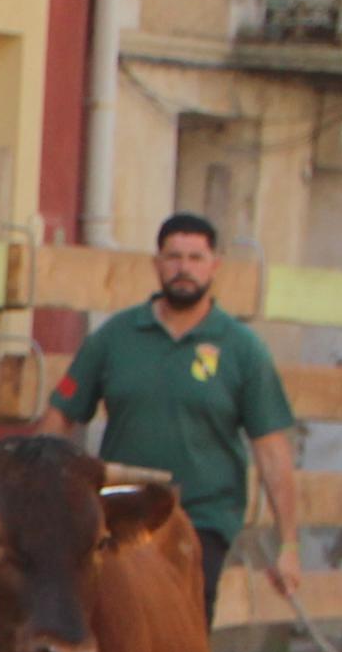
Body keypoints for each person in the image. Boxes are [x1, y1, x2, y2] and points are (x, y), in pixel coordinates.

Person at [37, 211, 305, 622]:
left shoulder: (242, 349)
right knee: (114, 623)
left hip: (201, 516)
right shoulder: (115, 338)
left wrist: (288, 546)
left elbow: (272, 451)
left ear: (215, 266)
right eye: (174, 256)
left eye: (196, 258)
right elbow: (60, 419)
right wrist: (38, 490)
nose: (184, 269)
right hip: (122, 510)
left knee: (183, 626)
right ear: (156, 263)